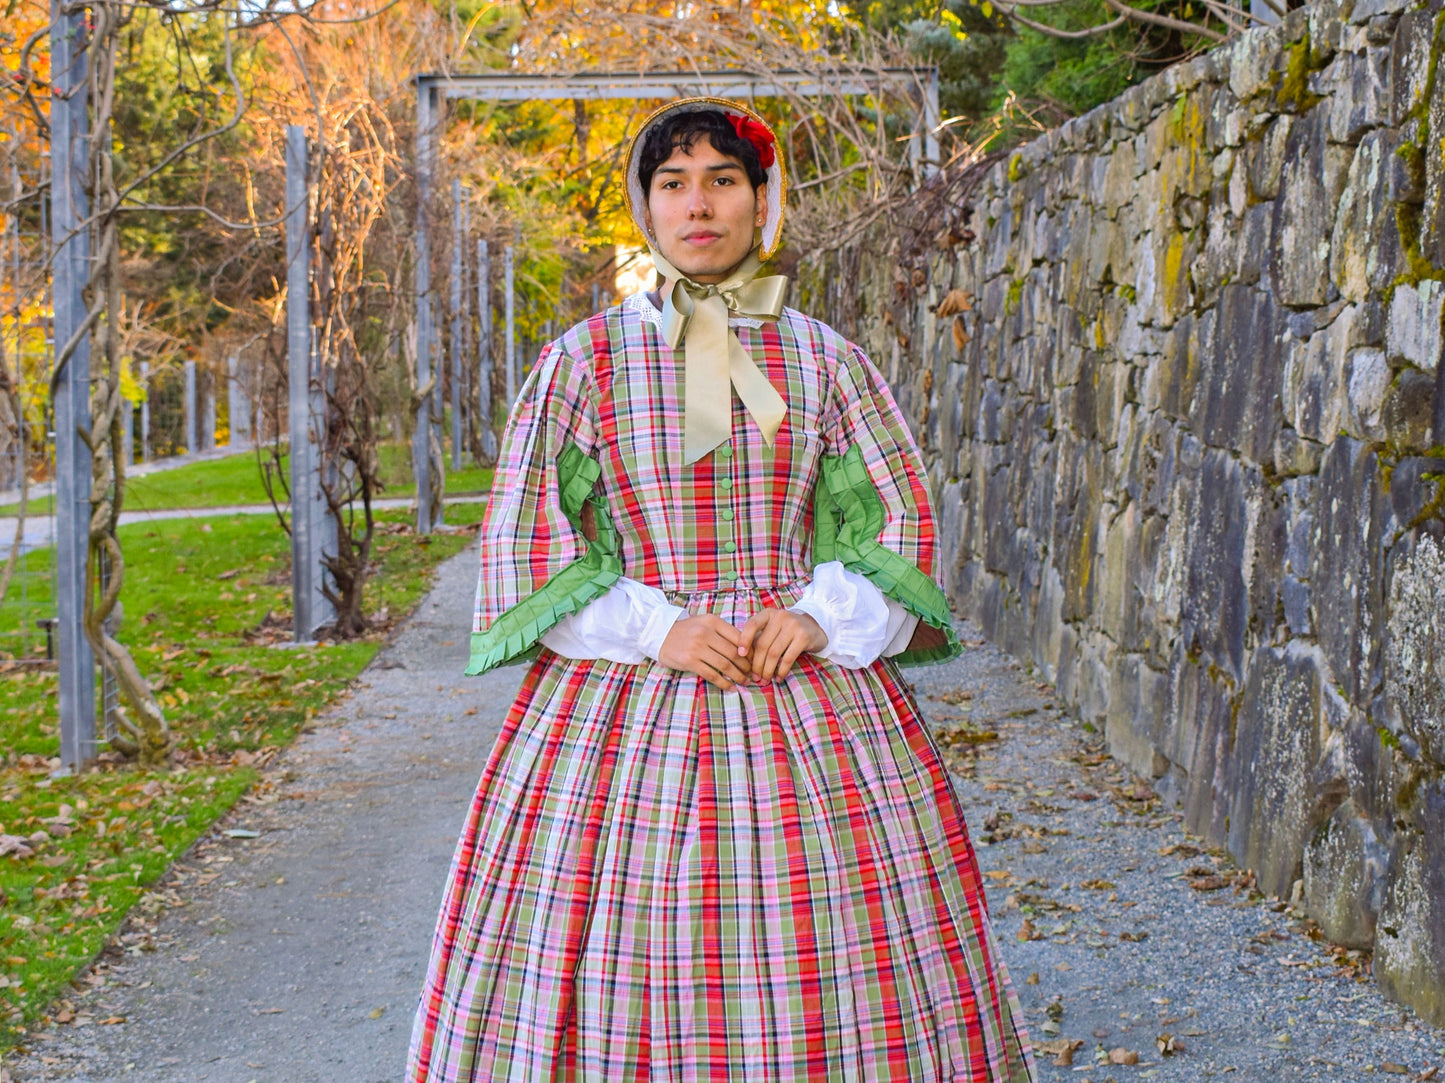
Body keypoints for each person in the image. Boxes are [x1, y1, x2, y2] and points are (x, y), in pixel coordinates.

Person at [408, 97, 1036, 1083]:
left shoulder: (824, 359)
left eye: (722, 180)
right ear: (644, 207)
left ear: (762, 201)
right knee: (629, 939)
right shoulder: (583, 362)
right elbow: (534, 532)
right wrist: (655, 626)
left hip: (800, 690)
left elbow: (890, 516)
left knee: (832, 940)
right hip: (628, 692)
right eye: (673, 183)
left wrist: (819, 619)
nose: (697, 204)